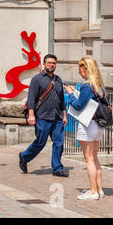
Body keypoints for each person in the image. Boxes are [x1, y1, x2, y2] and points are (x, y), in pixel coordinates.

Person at [19, 54, 68, 177]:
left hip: (57, 118)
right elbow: (31, 98)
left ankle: (57, 168)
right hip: (42, 117)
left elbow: (62, 99)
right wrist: (31, 115)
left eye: (54, 63)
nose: (52, 65)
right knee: (40, 143)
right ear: (44, 64)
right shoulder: (37, 79)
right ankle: (24, 157)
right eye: (49, 63)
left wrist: (64, 115)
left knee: (59, 143)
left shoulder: (58, 80)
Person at [64, 57, 107, 200]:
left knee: (88, 159)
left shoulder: (86, 86)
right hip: (98, 125)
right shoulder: (99, 85)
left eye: (80, 69)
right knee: (94, 158)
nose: (79, 72)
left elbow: (78, 106)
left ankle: (93, 192)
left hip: (88, 125)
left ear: (86, 69)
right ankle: (99, 190)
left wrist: (70, 94)